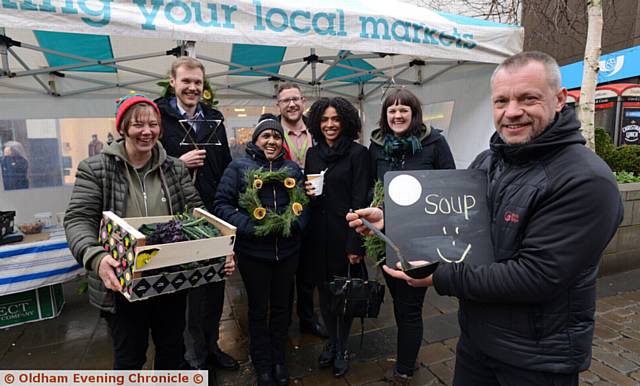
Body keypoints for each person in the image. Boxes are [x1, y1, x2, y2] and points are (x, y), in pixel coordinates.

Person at [348, 51, 624, 386]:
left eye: (528, 98)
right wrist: (390, 220)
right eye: (501, 100)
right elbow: (449, 220)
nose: (512, 112)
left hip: (536, 359)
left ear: (560, 99)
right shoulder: (487, 163)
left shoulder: (584, 180)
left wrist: (438, 277)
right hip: (476, 342)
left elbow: (535, 276)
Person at [64, 94, 235, 372]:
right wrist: (95, 257)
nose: (147, 131)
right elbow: (78, 219)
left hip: (169, 278)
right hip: (122, 281)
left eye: (153, 124)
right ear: (123, 128)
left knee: (171, 351)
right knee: (130, 356)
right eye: (138, 125)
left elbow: (196, 212)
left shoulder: (174, 167)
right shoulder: (97, 168)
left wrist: (220, 249)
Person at [156, 57, 238, 375]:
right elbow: (148, 161)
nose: (192, 87)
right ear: (173, 82)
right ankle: (192, 354)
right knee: (187, 288)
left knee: (215, 285)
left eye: (198, 82)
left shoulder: (214, 118)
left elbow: (227, 163)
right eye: (186, 81)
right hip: (177, 215)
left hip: (214, 213)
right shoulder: (158, 117)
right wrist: (179, 161)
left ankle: (212, 345)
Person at [368, 87, 455, 385]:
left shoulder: (435, 143)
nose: (397, 115)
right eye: (392, 110)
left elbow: (450, 185)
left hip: (421, 240)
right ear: (385, 116)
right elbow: (372, 186)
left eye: (404, 109)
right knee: (399, 301)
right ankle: (409, 357)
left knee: (410, 307)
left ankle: (404, 369)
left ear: (414, 113)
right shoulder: (377, 147)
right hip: (387, 239)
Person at [214, 114, 308, 386]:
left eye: (277, 136)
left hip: (288, 252)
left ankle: (278, 359)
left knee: (281, 308)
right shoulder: (239, 168)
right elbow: (222, 204)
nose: (271, 140)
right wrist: (250, 227)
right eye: (266, 135)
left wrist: (295, 224)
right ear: (255, 139)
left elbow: (304, 204)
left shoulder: (291, 169)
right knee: (258, 309)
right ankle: (262, 363)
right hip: (254, 254)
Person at [304, 97, 370, 378]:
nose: (330, 125)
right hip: (318, 237)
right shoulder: (313, 153)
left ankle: (343, 347)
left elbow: (360, 199)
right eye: (324, 120)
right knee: (325, 293)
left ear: (346, 122)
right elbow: (312, 199)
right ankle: (332, 341)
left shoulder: (358, 153)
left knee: (344, 294)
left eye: (336, 119)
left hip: (345, 237)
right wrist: (309, 194)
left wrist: (355, 244)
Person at [276, 82, 327, 338]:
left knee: (309, 271)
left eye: (296, 99)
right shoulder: (272, 132)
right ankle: (282, 323)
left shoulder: (318, 129)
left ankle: (308, 318)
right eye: (286, 100)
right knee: (284, 276)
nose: (292, 104)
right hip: (282, 210)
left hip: (315, 208)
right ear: (279, 105)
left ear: (303, 101)